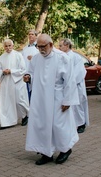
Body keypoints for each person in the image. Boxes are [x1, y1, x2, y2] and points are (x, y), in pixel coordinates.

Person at [24, 34, 79, 165]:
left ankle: (65, 149)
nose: (41, 49)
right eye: (39, 47)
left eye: (43, 46)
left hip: (57, 97)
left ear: (51, 45)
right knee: (42, 124)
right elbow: (31, 72)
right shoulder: (36, 59)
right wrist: (28, 77)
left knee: (58, 125)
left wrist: (68, 100)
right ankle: (46, 152)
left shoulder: (62, 58)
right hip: (40, 98)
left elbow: (70, 81)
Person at [0, 39, 29, 129]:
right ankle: (6, 121)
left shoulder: (18, 55)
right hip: (5, 82)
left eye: (9, 45)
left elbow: (23, 69)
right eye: (6, 46)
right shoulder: (2, 57)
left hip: (16, 82)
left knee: (19, 101)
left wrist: (11, 71)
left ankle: (25, 116)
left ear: (13, 46)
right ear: (4, 47)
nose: (8, 47)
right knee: (6, 102)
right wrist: (2, 72)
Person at [58, 38, 89, 134]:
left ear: (67, 46)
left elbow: (80, 71)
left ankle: (81, 123)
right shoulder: (60, 57)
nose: (59, 47)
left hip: (75, 85)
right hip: (65, 85)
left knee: (77, 105)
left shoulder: (75, 57)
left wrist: (70, 81)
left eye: (61, 45)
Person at [22, 30, 39, 103]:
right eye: (29, 34)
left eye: (32, 34)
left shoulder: (38, 48)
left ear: (36, 36)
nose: (30, 36)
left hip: (35, 74)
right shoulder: (25, 48)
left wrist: (34, 58)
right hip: (26, 72)